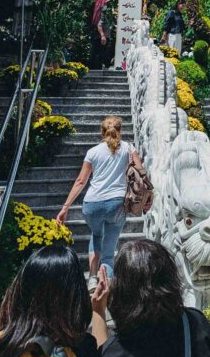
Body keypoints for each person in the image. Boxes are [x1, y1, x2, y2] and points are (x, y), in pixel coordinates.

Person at [56, 116, 149, 285]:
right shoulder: (129, 148)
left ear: (102, 132)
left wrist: (65, 207)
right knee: (109, 250)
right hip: (116, 203)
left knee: (97, 234)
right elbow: (141, 173)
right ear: (120, 131)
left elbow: (80, 181)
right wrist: (148, 197)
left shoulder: (92, 152)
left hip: (91, 204)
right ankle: (105, 285)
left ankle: (92, 278)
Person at [89, 0, 113, 70]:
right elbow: (99, 25)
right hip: (102, 38)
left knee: (96, 54)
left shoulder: (96, 14)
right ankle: (98, 71)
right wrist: (103, 36)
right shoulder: (101, 14)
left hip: (97, 38)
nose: (106, 6)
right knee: (101, 55)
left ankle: (95, 70)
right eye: (105, 4)